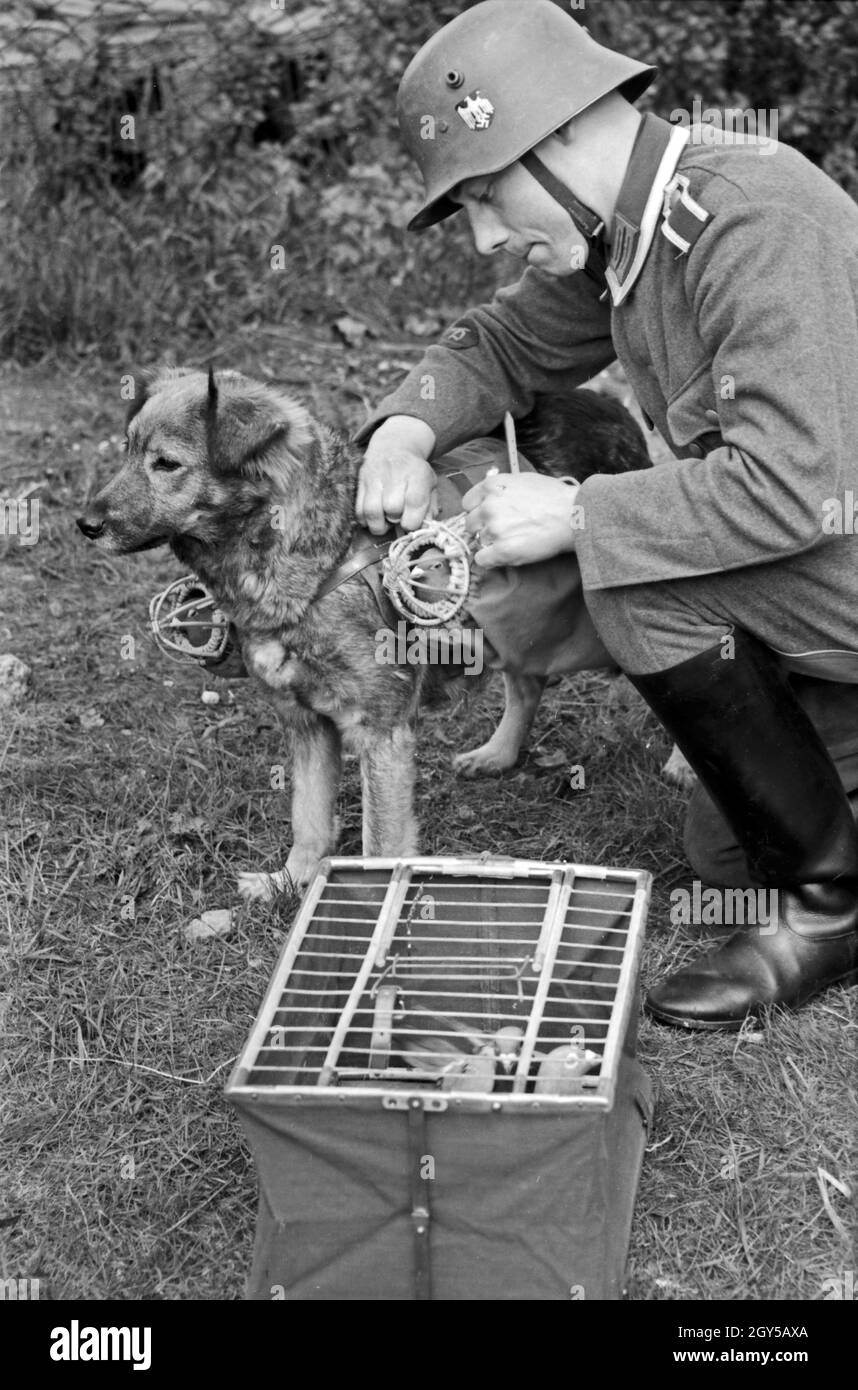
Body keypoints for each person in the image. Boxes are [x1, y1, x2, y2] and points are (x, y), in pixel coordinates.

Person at [353, 0, 858, 1030]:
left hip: (834, 549)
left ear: (571, 130)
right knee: (722, 858)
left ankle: (830, 911)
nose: (490, 236)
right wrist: (401, 432)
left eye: (490, 196)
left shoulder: (750, 217)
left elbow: (793, 487)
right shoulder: (626, 232)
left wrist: (579, 508)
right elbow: (494, 348)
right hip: (824, 585)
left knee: (632, 565)